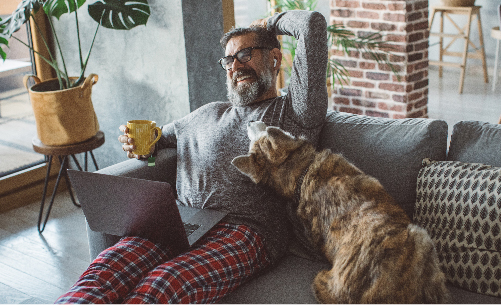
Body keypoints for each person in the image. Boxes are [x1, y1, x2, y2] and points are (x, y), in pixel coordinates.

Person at [56, 9, 327, 304]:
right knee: (104, 271)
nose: (235, 66)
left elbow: (312, 24)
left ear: (274, 58)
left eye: (246, 54)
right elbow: (156, 142)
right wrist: (141, 148)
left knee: (163, 284)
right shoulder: (208, 112)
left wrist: (268, 23)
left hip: (247, 230)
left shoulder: (294, 112)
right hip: (180, 221)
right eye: (228, 60)